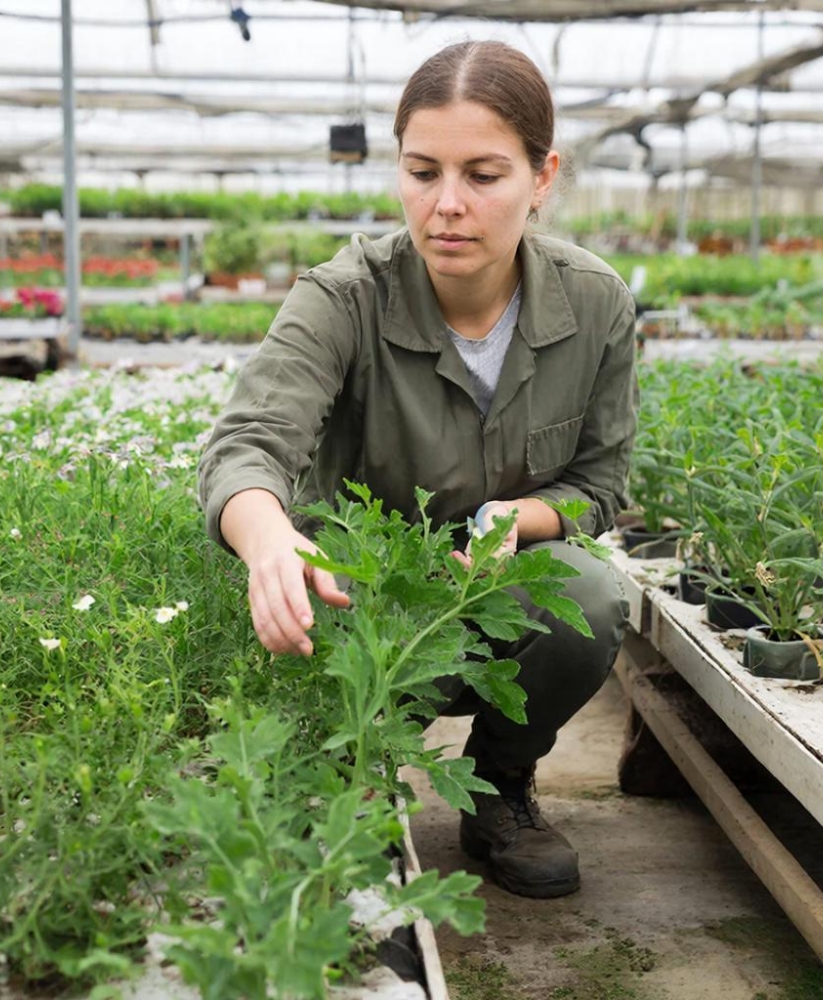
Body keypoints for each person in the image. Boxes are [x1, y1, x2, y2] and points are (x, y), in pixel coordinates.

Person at [198, 39, 638, 899]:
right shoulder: (345, 296)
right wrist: (267, 544)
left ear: (542, 177)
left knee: (586, 598)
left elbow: (601, 483)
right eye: (422, 171)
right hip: (357, 607)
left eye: (483, 175)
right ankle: (354, 770)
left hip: (489, 595)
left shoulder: (595, 306)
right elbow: (247, 441)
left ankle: (500, 787)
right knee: (326, 857)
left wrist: (527, 519)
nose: (446, 206)